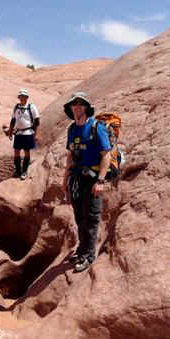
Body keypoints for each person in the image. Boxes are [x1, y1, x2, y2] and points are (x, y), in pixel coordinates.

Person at [62, 92, 112, 272]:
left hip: (92, 180)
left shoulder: (96, 127)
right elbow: (70, 155)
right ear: (70, 108)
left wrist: (100, 181)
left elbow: (106, 155)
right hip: (76, 178)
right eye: (74, 104)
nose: (77, 106)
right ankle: (82, 250)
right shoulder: (72, 129)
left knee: (91, 218)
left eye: (80, 104)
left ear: (86, 108)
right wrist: (65, 178)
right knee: (79, 216)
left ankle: (89, 255)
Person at [8, 89, 40, 180]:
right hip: (18, 133)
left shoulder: (31, 106)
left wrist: (35, 134)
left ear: (27, 97)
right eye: (21, 96)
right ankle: (18, 171)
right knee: (16, 152)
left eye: (24, 97)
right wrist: (10, 132)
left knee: (26, 152)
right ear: (19, 97)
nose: (22, 98)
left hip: (28, 133)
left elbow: (37, 121)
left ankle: (24, 171)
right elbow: (13, 120)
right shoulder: (16, 107)